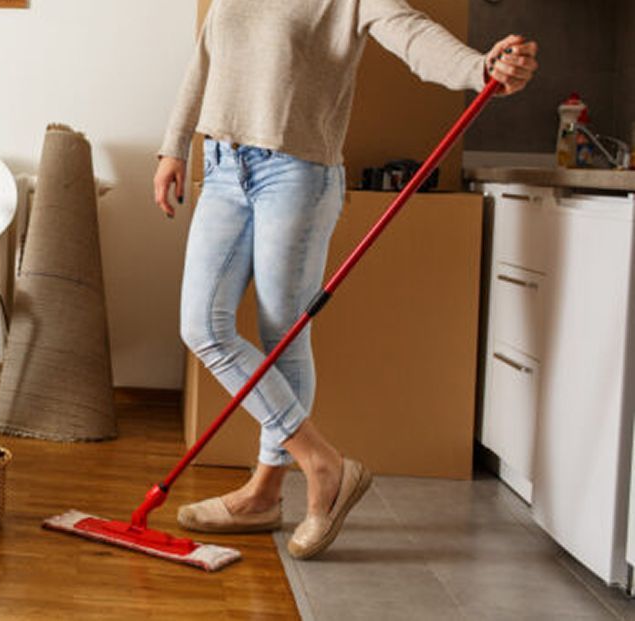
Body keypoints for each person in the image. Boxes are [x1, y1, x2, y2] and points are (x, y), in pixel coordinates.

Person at [154, 0, 537, 559]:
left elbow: (414, 36)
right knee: (202, 326)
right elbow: (206, 59)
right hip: (221, 167)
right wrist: (173, 145)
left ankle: (266, 491)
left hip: (296, 172)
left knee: (282, 332)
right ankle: (322, 462)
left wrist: (480, 69)